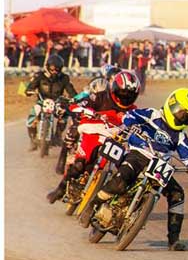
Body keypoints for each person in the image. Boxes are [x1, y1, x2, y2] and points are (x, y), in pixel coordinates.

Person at [80, 88, 188, 251]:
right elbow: (130, 116)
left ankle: (174, 240)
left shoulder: (180, 135)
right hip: (139, 154)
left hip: (161, 165)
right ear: (172, 105)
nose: (184, 119)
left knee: (178, 194)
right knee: (121, 180)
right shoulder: (152, 114)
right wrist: (132, 126)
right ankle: (93, 205)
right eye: (183, 113)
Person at [46, 70, 141, 204]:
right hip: (92, 131)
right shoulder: (100, 97)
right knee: (80, 164)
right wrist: (80, 109)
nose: (126, 97)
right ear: (114, 89)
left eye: (130, 95)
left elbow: (141, 123)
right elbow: (79, 104)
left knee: (121, 168)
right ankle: (60, 189)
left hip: (114, 138)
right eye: (123, 93)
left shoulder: (134, 110)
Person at [24, 54, 78, 151]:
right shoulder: (39, 76)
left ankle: (58, 136)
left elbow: (71, 91)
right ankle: (33, 141)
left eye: (57, 70)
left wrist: (74, 98)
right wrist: (29, 91)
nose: (54, 72)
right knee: (32, 115)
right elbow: (29, 88)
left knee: (64, 114)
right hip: (41, 102)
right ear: (47, 67)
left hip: (57, 102)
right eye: (52, 69)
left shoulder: (64, 78)